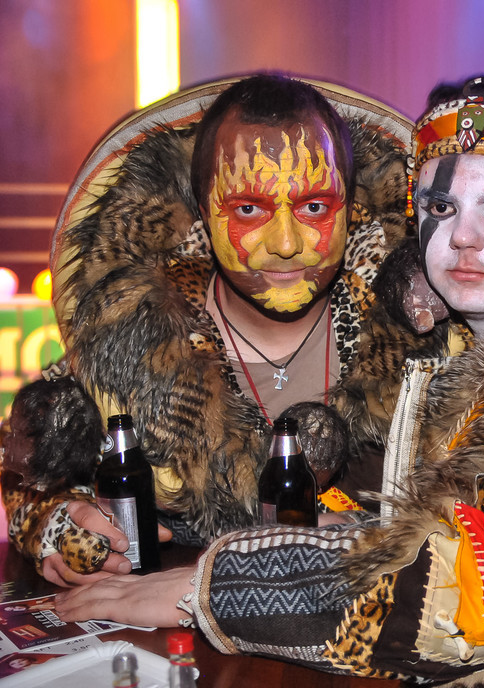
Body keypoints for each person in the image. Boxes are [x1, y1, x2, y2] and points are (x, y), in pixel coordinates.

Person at [56, 75, 484, 685]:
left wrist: (209, 588)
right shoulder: (451, 339)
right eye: (441, 208)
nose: (463, 237)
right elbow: (437, 517)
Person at [1, 74, 415, 586]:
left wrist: (360, 535)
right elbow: (25, 468)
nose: (286, 243)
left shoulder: (420, 346)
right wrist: (54, 522)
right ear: (203, 213)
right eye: (248, 209)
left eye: (314, 206)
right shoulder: (133, 342)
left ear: (350, 210)